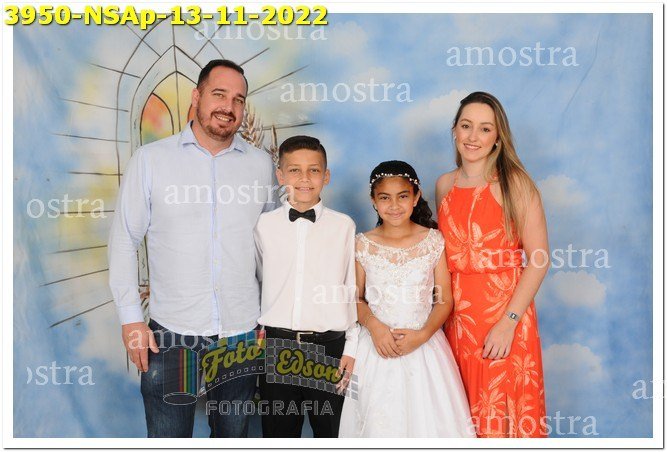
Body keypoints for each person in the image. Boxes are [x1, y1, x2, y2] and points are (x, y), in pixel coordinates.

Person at [108, 59, 276, 437]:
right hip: (171, 335)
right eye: (219, 94)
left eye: (238, 100)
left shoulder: (260, 165)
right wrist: (131, 319)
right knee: (169, 437)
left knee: (233, 436)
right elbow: (124, 240)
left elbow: (269, 245)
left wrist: (269, 315)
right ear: (196, 97)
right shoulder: (151, 160)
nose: (228, 107)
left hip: (241, 334)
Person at [436, 91, 548, 437]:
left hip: (504, 319)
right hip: (457, 321)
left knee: (502, 417)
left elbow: (539, 259)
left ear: (498, 137)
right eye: (466, 126)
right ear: (454, 129)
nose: (473, 137)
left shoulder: (515, 185)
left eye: (485, 129)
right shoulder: (444, 185)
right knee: (462, 416)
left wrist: (508, 323)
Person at [338, 160, 475, 438]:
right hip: (376, 347)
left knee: (428, 422)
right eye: (384, 198)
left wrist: (422, 335)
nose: (394, 206)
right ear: (373, 201)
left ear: (415, 197)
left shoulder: (433, 240)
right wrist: (375, 327)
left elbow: (444, 300)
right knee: (379, 422)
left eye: (402, 196)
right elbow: (355, 298)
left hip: (424, 345)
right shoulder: (363, 243)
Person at [254, 135, 358, 438]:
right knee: (278, 434)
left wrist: (351, 349)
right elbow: (260, 279)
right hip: (277, 350)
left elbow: (351, 289)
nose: (304, 179)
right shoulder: (264, 225)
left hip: (329, 351)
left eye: (313, 170)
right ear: (280, 175)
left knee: (331, 433)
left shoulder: (344, 226)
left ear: (326, 176)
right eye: (294, 170)